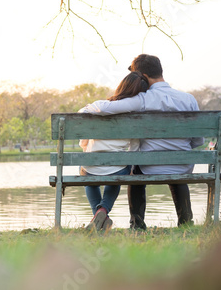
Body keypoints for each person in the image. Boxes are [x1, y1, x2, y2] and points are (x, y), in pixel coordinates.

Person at [81, 54, 204, 229]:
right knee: (177, 170)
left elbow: (107, 107)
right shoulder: (189, 99)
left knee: (135, 170)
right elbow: (198, 140)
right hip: (182, 164)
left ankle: (137, 224)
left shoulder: (141, 100)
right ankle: (185, 222)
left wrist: (87, 108)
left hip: (148, 167)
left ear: (142, 76)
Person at [78, 71, 149, 231]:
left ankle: (99, 215)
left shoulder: (100, 108)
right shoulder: (136, 117)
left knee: (85, 172)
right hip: (116, 169)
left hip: (90, 167)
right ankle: (102, 210)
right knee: (116, 174)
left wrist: (86, 147)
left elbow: (83, 141)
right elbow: (134, 149)